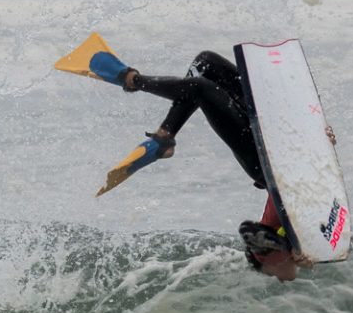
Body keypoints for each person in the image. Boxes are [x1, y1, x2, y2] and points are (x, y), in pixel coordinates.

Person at [112, 51, 310, 282]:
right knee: (206, 63)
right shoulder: (312, 242)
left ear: (267, 259)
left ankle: (136, 83)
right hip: (277, 139)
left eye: (270, 272)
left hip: (262, 161)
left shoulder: (274, 239)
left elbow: (249, 230)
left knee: (199, 87)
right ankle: (164, 136)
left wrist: (290, 244)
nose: (283, 278)